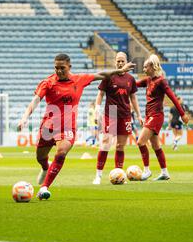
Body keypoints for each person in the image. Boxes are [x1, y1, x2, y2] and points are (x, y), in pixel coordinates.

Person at [18, 53, 135, 200]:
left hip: (67, 128)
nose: (59, 71)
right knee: (40, 157)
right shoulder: (48, 82)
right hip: (48, 127)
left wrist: (118, 71)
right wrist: (24, 118)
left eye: (62, 68)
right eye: (56, 68)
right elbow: (35, 100)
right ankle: (45, 167)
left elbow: (100, 74)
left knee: (61, 153)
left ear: (69, 67)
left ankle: (44, 188)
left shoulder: (79, 80)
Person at [92, 52, 144, 185]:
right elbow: (101, 94)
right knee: (105, 144)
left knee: (120, 146)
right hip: (112, 113)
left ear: (126, 61)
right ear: (115, 62)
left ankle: (119, 175)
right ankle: (98, 175)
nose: (120, 63)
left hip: (125, 114)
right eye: (118, 61)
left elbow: (133, 98)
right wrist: (97, 110)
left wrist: (138, 114)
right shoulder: (109, 76)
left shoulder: (130, 79)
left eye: (122, 61)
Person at [135, 55, 189, 181]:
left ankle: (146, 171)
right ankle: (164, 172)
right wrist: (122, 78)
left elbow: (172, 97)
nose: (143, 69)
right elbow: (134, 84)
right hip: (149, 116)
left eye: (145, 67)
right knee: (156, 146)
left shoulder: (161, 81)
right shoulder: (148, 80)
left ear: (152, 67)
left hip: (156, 116)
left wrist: (182, 114)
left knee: (140, 142)